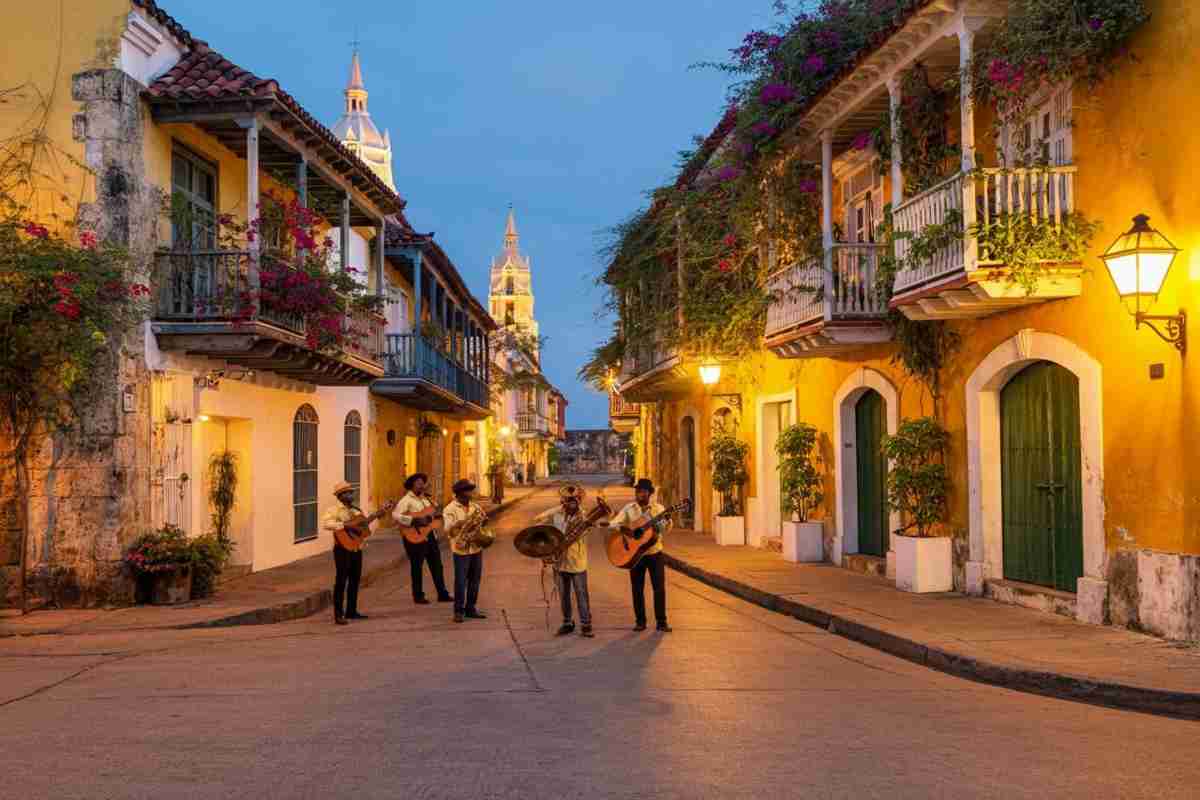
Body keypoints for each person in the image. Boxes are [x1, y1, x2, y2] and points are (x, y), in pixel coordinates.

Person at [606, 478, 672, 633]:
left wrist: (666, 521)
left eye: (642, 491)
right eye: (637, 491)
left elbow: (665, 530)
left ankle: (661, 622)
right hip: (635, 555)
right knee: (637, 589)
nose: (639, 494)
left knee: (659, 588)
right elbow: (615, 523)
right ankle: (640, 621)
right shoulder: (629, 508)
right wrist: (626, 530)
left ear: (649, 493)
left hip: (655, 553)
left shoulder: (658, 509)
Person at [532, 484, 594, 638]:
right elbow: (537, 520)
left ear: (579, 500)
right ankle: (567, 623)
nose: (572, 502)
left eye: (575, 499)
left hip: (577, 561)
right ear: (563, 500)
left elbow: (584, 531)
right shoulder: (556, 515)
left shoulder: (585, 517)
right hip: (559, 562)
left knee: (581, 594)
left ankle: (586, 625)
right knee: (563, 594)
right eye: (568, 499)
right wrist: (557, 508)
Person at [392, 473, 452, 606]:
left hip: (429, 535)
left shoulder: (427, 500)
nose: (421, 484)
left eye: (422, 482)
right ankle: (418, 596)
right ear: (412, 485)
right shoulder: (406, 500)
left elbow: (433, 516)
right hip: (413, 536)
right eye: (418, 482)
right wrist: (413, 520)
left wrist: (438, 516)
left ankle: (442, 593)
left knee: (437, 565)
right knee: (417, 567)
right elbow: (395, 515)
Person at [322, 481, 372, 625]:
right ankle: (338, 614)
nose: (350, 495)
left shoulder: (357, 511)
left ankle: (352, 610)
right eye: (346, 493)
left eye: (351, 492)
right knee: (341, 580)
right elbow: (326, 523)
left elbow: (363, 529)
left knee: (355, 580)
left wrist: (366, 525)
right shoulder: (334, 510)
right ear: (339, 496)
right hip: (342, 548)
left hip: (356, 547)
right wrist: (345, 525)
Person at [443, 478, 491, 624]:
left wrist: (482, 521)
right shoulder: (449, 509)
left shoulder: (475, 506)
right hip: (461, 548)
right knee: (460, 581)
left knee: (475, 580)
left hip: (476, 546)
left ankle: (471, 608)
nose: (471, 493)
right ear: (460, 493)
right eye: (468, 491)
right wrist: (462, 523)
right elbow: (448, 529)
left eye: (471, 490)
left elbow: (484, 519)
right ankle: (458, 611)